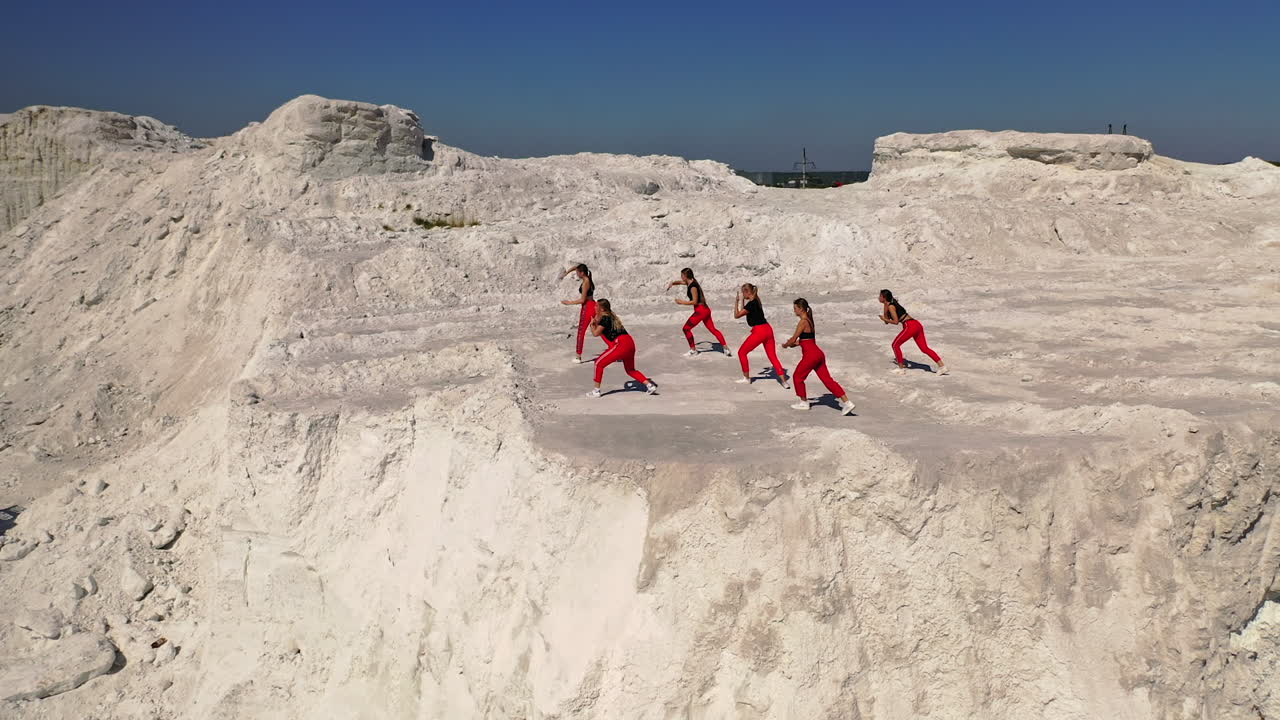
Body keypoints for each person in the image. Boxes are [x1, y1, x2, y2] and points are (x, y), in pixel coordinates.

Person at [780, 298, 855, 414]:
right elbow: (805, 340)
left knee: (797, 377)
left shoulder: (803, 321)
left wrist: (786, 345)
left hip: (811, 356)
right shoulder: (809, 320)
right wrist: (793, 344)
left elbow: (794, 339)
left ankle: (804, 402)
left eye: (795, 308)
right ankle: (847, 403)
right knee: (828, 380)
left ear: (800, 309)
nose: (794, 311)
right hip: (818, 354)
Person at [587, 299, 658, 398]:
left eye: (596, 306)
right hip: (630, 343)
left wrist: (591, 324)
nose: (594, 307)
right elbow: (602, 330)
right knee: (630, 370)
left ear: (602, 309)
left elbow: (595, 333)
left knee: (598, 363)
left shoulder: (605, 318)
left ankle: (596, 391)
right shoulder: (611, 316)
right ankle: (649, 385)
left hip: (621, 344)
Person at [732, 283, 789, 387]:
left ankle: (746, 378)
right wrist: (743, 300)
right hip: (768, 329)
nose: (742, 295)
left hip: (759, 331)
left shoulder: (751, 304)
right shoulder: (757, 300)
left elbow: (737, 315)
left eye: (742, 292)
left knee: (742, 352)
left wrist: (736, 301)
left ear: (747, 292)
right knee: (772, 356)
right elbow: (745, 309)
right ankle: (784, 381)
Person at [879, 289, 948, 375]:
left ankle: (901, 369)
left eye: (880, 296)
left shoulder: (891, 306)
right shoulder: (889, 305)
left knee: (895, 345)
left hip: (910, 325)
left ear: (884, 297)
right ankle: (942, 366)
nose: (879, 298)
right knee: (924, 348)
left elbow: (895, 322)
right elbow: (886, 322)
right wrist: (885, 310)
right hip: (916, 324)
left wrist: (884, 318)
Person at [667, 267, 730, 357]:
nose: (681, 277)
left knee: (686, 329)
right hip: (705, 310)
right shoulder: (690, 282)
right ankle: (726, 348)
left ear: (685, 276)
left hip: (701, 311)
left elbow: (695, 301)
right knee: (713, 330)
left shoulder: (693, 287)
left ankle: (693, 350)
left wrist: (682, 302)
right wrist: (672, 283)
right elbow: (681, 282)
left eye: (682, 275)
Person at [561, 263, 606, 363]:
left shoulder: (585, 282)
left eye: (577, 272)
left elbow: (582, 300)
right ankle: (614, 345)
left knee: (581, 331)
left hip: (587, 307)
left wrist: (569, 302)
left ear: (581, 273)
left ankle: (578, 356)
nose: (576, 274)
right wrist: (567, 273)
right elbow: (576, 267)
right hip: (594, 305)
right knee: (599, 327)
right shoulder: (589, 276)